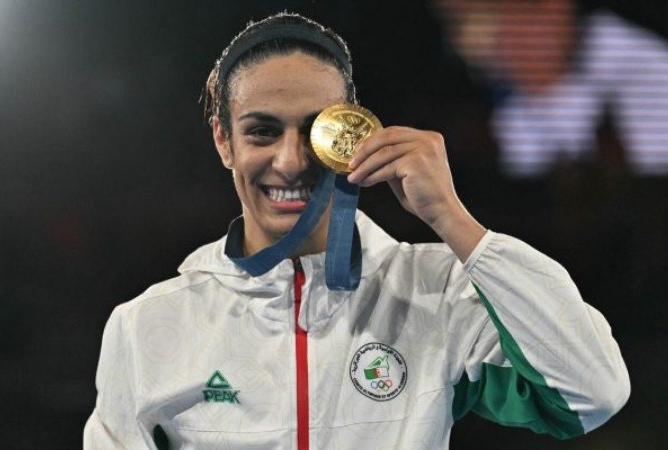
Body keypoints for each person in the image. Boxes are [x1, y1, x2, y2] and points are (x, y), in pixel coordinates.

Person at [84, 12, 630, 449]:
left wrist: (452, 220)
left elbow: (590, 393)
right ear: (224, 142)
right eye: (262, 132)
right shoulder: (147, 326)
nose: (291, 162)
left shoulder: (437, 292)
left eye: (313, 130)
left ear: (347, 137)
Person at [430, 0, 668, 176]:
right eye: (456, 25)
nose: (470, 46)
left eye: (485, 18)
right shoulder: (512, 114)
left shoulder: (648, 75)